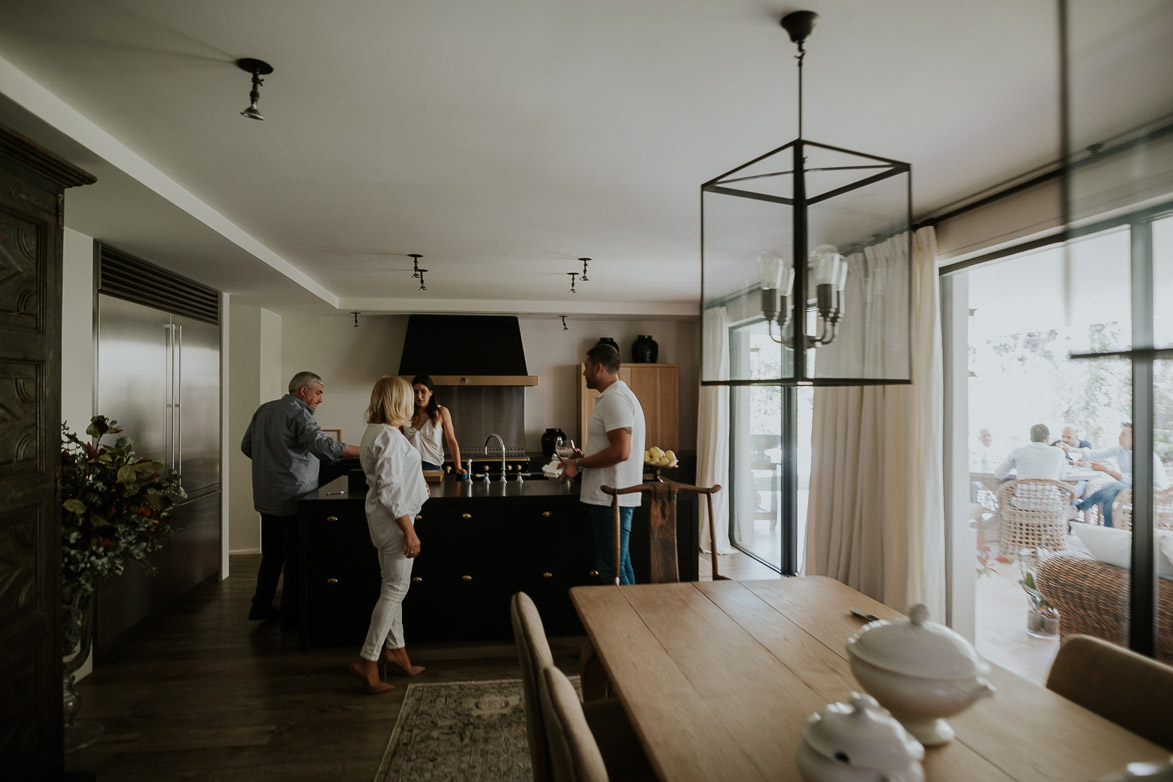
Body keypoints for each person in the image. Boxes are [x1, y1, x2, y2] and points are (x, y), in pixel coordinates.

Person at [242, 371, 359, 627]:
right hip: (293, 498)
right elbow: (321, 446)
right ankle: (291, 614)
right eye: (318, 392)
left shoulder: (264, 410)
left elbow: (246, 446)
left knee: (272, 555)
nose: (320, 399)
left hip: (267, 496)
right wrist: (365, 451)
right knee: (295, 558)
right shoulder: (300, 413)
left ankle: (259, 606)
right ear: (303, 391)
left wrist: (272, 461)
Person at [349, 376, 430, 693]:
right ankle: (368, 659)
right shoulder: (391, 438)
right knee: (396, 589)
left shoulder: (377, 432)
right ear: (401, 401)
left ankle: (397, 653)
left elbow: (391, 481)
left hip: (383, 521)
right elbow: (391, 490)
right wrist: (409, 532)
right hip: (396, 523)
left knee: (392, 586)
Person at [559, 343, 645, 585]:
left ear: (598, 367)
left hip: (611, 499)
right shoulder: (615, 397)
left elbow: (621, 451)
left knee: (611, 570)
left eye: (586, 366)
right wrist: (582, 455)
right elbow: (615, 447)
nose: (584, 371)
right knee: (620, 564)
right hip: (612, 497)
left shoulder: (614, 399)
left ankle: (622, 623)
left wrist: (580, 464)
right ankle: (633, 621)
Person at [1074, 423, 1170, 528]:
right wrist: (1070, 449)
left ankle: (1078, 508)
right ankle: (1109, 529)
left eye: (1123, 434)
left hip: (1154, 490)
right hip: (1133, 485)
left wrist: (1106, 469)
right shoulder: (1121, 450)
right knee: (1110, 497)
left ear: (1134, 437)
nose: (1119, 437)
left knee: (1114, 486)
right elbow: (1094, 454)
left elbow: (1135, 478)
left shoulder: (1146, 455)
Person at [402, 374, 465, 477]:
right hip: (409, 466)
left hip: (433, 466)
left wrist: (458, 467)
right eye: (415, 392)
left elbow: (451, 440)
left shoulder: (441, 412)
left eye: (423, 391)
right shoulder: (405, 413)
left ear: (431, 392)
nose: (419, 396)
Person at [994, 423, 1068, 481]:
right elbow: (1062, 476)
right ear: (1047, 438)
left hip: (1023, 499)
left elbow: (999, 474)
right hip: (1051, 499)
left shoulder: (1018, 452)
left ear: (1031, 438)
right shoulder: (1058, 453)